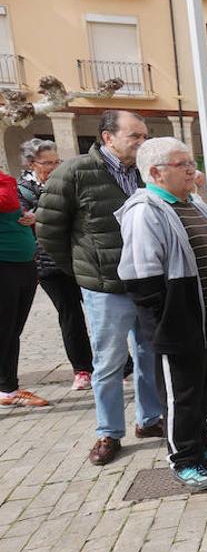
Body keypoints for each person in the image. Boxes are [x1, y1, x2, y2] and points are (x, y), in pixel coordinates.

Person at [115, 137, 207, 490]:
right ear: (156, 172)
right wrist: (165, 328)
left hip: (205, 318)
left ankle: (201, 443)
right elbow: (142, 280)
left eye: (191, 162)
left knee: (204, 388)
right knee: (181, 394)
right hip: (178, 322)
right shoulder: (146, 210)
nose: (193, 170)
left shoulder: (193, 203)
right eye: (183, 164)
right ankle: (183, 458)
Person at [37, 110, 163, 465]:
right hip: (104, 288)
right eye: (135, 136)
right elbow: (48, 230)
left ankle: (149, 420)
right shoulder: (75, 173)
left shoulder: (144, 173)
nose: (142, 142)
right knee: (108, 363)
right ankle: (108, 432)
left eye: (144, 136)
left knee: (148, 354)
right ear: (108, 137)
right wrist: (82, 270)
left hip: (146, 283)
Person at [17, 139, 95, 390]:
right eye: (47, 162)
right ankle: (83, 369)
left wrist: (39, 215)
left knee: (99, 311)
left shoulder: (66, 182)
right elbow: (22, 218)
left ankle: (122, 363)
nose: (53, 166)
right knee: (70, 315)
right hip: (47, 264)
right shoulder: (22, 189)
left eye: (56, 161)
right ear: (31, 163)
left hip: (79, 256)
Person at [0, 167, 45, 408]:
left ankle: (8, 389)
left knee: (11, 331)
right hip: (4, 265)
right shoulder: (6, 184)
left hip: (22, 264)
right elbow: (6, 201)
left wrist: (29, 218)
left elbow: (11, 210)